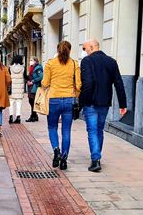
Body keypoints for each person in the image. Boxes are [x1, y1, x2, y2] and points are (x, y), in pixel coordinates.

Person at [80, 39, 127, 172]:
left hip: (91, 102)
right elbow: (119, 83)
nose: (84, 51)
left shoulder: (87, 61)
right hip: (104, 102)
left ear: (91, 47)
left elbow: (87, 83)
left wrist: (83, 101)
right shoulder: (111, 61)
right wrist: (122, 104)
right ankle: (97, 157)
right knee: (99, 129)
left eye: (84, 48)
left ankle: (95, 159)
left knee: (92, 130)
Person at [41, 41, 81, 171]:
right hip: (69, 99)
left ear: (57, 50)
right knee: (66, 130)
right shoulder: (74, 64)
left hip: (53, 99)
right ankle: (64, 158)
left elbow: (45, 83)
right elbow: (79, 84)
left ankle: (56, 150)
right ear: (69, 50)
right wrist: (75, 95)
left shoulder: (50, 64)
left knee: (52, 127)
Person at [8, 55, 26, 124]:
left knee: (11, 103)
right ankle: (18, 117)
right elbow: (25, 76)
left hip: (12, 89)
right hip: (19, 89)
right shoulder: (23, 68)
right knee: (19, 103)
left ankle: (11, 117)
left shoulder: (10, 68)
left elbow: (8, 78)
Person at [26, 57, 43, 122]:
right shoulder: (31, 67)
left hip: (35, 86)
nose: (30, 61)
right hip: (31, 86)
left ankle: (33, 116)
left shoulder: (38, 68)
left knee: (32, 101)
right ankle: (34, 115)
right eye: (30, 60)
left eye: (31, 60)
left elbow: (41, 76)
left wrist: (32, 81)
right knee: (31, 101)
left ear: (35, 61)